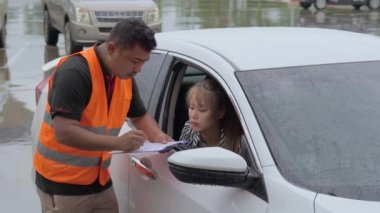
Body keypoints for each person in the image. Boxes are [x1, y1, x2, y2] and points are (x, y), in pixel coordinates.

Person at [33, 18, 172, 213]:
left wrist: (158, 136)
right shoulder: (75, 73)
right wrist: (118, 143)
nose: (139, 69)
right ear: (112, 48)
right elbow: (63, 132)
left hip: (99, 180)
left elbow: (140, 117)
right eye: (135, 60)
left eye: (143, 62)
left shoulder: (123, 76)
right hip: (62, 183)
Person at [161, 77, 246, 155]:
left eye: (202, 110)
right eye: (191, 108)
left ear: (220, 112)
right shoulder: (189, 129)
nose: (193, 115)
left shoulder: (236, 141)